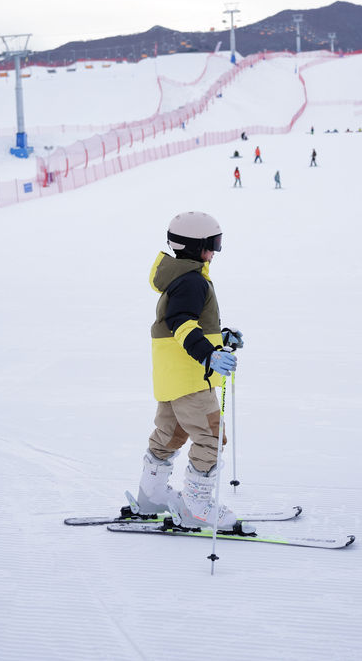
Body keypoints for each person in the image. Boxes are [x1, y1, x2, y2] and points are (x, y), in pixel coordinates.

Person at [132, 211, 243, 530]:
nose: (215, 252)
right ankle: (197, 505)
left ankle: (151, 495)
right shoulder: (192, 281)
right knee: (211, 436)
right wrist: (209, 355)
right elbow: (182, 324)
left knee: (170, 434)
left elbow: (181, 323)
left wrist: (218, 339)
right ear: (196, 247)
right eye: (212, 245)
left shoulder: (180, 278)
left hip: (172, 380)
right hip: (193, 381)